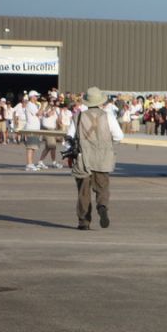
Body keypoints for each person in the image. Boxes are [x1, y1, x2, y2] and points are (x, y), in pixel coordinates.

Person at [67, 86, 124, 230]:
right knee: (102, 188)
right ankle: (102, 206)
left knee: (83, 192)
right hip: (103, 158)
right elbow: (119, 136)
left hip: (83, 158)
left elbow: (68, 138)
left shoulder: (78, 116)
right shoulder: (108, 116)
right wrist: (107, 144)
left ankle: (84, 222)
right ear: (100, 101)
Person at [24, 90, 43, 171]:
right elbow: (38, 113)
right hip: (31, 128)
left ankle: (31, 163)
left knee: (33, 147)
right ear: (31, 97)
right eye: (36, 96)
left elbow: (40, 115)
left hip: (35, 129)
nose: (37, 98)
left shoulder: (34, 105)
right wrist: (42, 106)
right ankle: (29, 164)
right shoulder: (30, 104)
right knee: (30, 147)